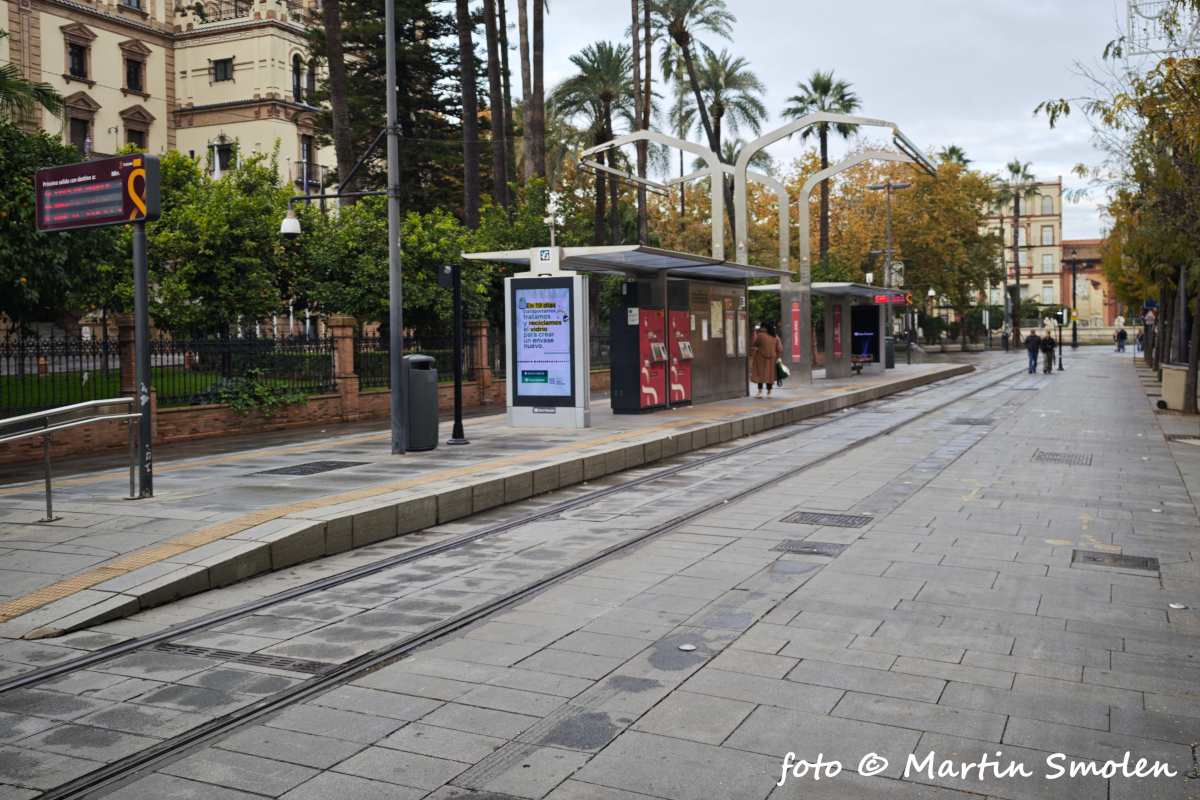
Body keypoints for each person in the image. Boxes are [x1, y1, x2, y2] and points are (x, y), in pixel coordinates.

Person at [750, 321, 782, 398]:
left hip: (760, 358)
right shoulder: (775, 337)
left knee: (759, 374)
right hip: (772, 360)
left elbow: (755, 344)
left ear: (763, 327)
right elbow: (779, 349)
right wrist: (775, 356)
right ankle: (769, 392)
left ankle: (760, 392)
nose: (760, 328)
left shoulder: (760, 335)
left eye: (761, 327)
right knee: (770, 375)